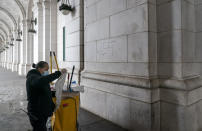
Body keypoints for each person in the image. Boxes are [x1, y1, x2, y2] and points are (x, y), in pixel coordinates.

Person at [26, 61, 67, 131]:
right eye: (46, 69)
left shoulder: (40, 77)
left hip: (42, 111)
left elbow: (45, 92)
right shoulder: (33, 77)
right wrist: (58, 73)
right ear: (39, 68)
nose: (47, 71)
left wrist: (52, 104)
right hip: (36, 112)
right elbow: (40, 81)